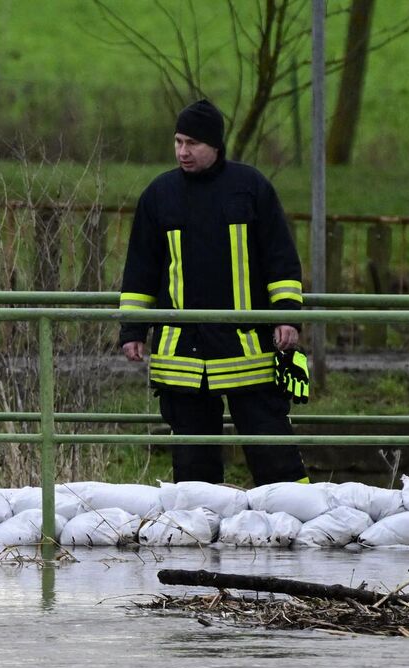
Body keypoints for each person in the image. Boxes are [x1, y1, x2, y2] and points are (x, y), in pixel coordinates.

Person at [118, 99, 308, 486]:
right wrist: (132, 330)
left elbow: (280, 257)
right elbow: (141, 268)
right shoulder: (159, 195)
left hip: (247, 351)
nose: (182, 152)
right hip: (182, 357)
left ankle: (303, 532)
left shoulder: (251, 187)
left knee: (275, 457)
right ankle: (198, 540)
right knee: (193, 470)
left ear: (216, 145)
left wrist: (287, 314)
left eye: (192, 143)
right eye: (177, 141)